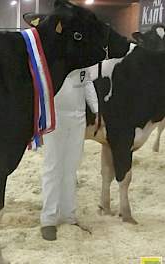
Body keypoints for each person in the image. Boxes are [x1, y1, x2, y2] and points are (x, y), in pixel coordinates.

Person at [40, 68, 99, 241]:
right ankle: (48, 219)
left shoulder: (83, 55)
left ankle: (68, 215)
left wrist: (96, 110)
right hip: (55, 116)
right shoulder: (56, 51)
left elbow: (87, 80)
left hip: (78, 116)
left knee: (71, 167)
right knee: (53, 167)